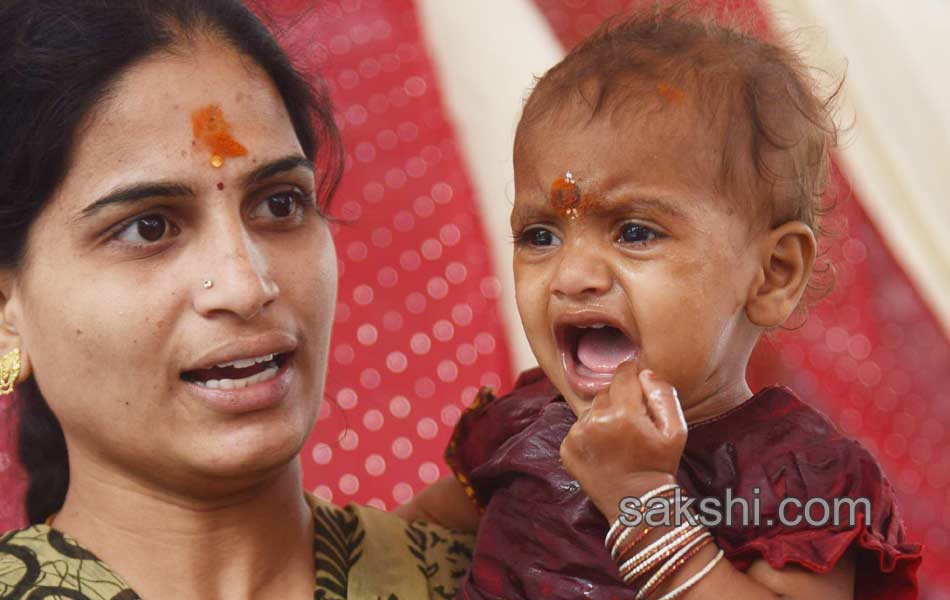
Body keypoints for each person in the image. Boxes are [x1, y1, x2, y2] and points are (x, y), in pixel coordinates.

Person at [398, 7, 922, 599]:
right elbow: (399, 545)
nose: (572, 275)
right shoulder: (527, 426)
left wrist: (641, 500)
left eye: (635, 232)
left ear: (773, 274)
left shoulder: (797, 481)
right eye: (540, 236)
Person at [0, 1, 472, 598]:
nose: (247, 285)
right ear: (5, 312)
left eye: (280, 204)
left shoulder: (507, 576)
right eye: (149, 227)